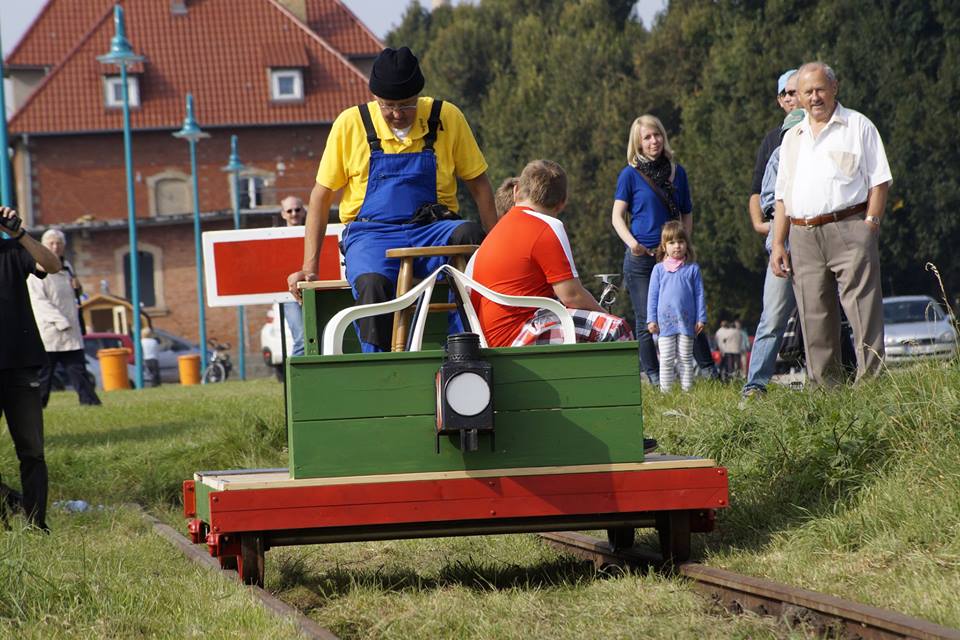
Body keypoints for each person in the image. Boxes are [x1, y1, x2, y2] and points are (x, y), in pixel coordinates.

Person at [287, 46, 494, 352]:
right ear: (375, 98)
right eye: (388, 106)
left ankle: (462, 345)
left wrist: (496, 247)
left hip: (433, 230)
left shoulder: (446, 117)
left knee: (469, 234)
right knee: (372, 283)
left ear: (419, 97)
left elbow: (479, 184)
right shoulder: (350, 123)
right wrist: (310, 266)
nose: (397, 114)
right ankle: (378, 362)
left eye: (406, 106)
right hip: (371, 235)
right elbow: (320, 197)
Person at [770, 62, 892, 386]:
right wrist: (779, 243)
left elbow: (879, 181)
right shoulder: (792, 138)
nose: (813, 97)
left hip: (850, 227)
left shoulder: (858, 126)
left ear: (834, 88)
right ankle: (827, 396)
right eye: (806, 92)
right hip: (802, 234)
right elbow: (782, 196)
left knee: (863, 313)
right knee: (814, 318)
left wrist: (870, 225)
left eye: (819, 89)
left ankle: (872, 388)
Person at [471, 159, 633, 348]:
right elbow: (571, 296)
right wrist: (604, 313)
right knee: (616, 329)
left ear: (516, 192)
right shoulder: (548, 227)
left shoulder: (497, 230)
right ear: (561, 203)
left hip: (488, 337)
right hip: (519, 333)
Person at [611, 114, 717, 386]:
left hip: (673, 256)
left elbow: (687, 212)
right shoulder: (630, 175)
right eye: (647, 137)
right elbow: (616, 216)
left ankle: (708, 371)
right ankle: (656, 377)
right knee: (647, 318)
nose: (653, 141)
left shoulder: (676, 172)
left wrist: (684, 243)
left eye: (657, 135)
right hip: (642, 257)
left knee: (688, 310)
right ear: (638, 142)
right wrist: (631, 243)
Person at [1, 206, 61, 531]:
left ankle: (37, 524)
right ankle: (10, 508)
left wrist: (19, 234)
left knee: (32, 451)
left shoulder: (13, 252)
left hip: (21, 367)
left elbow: (52, 264)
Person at [741, 107, 805, 400]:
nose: (796, 138)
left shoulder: (823, 155)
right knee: (773, 318)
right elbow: (768, 203)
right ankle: (755, 385)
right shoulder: (779, 157)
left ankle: (831, 377)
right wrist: (777, 239)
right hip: (787, 244)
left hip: (821, 242)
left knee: (826, 316)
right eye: (790, 134)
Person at [27, 229, 101, 407]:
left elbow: (72, 295)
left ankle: (90, 402)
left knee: (78, 369)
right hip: (51, 330)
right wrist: (60, 322)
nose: (55, 246)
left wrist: (78, 289)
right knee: (45, 374)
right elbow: (38, 300)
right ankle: (37, 405)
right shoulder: (36, 268)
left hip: (71, 330)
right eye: (51, 243)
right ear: (43, 245)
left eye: (58, 243)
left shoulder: (67, 266)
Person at [646, 221, 706, 392]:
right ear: (664, 246)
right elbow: (652, 296)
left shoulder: (692, 269)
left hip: (687, 322)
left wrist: (701, 318)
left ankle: (687, 391)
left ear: (687, 244)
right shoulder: (658, 270)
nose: (677, 246)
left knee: (686, 358)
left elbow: (699, 294)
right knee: (666, 358)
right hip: (665, 323)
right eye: (672, 242)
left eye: (681, 241)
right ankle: (666, 392)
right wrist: (651, 319)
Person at [280, 195, 307, 357]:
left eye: (297, 209)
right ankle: (294, 380)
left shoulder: (312, 234)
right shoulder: (276, 238)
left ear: (303, 211)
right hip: (288, 296)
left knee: (316, 338)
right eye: (289, 210)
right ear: (283, 214)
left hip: (312, 290)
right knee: (302, 339)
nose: (293, 213)